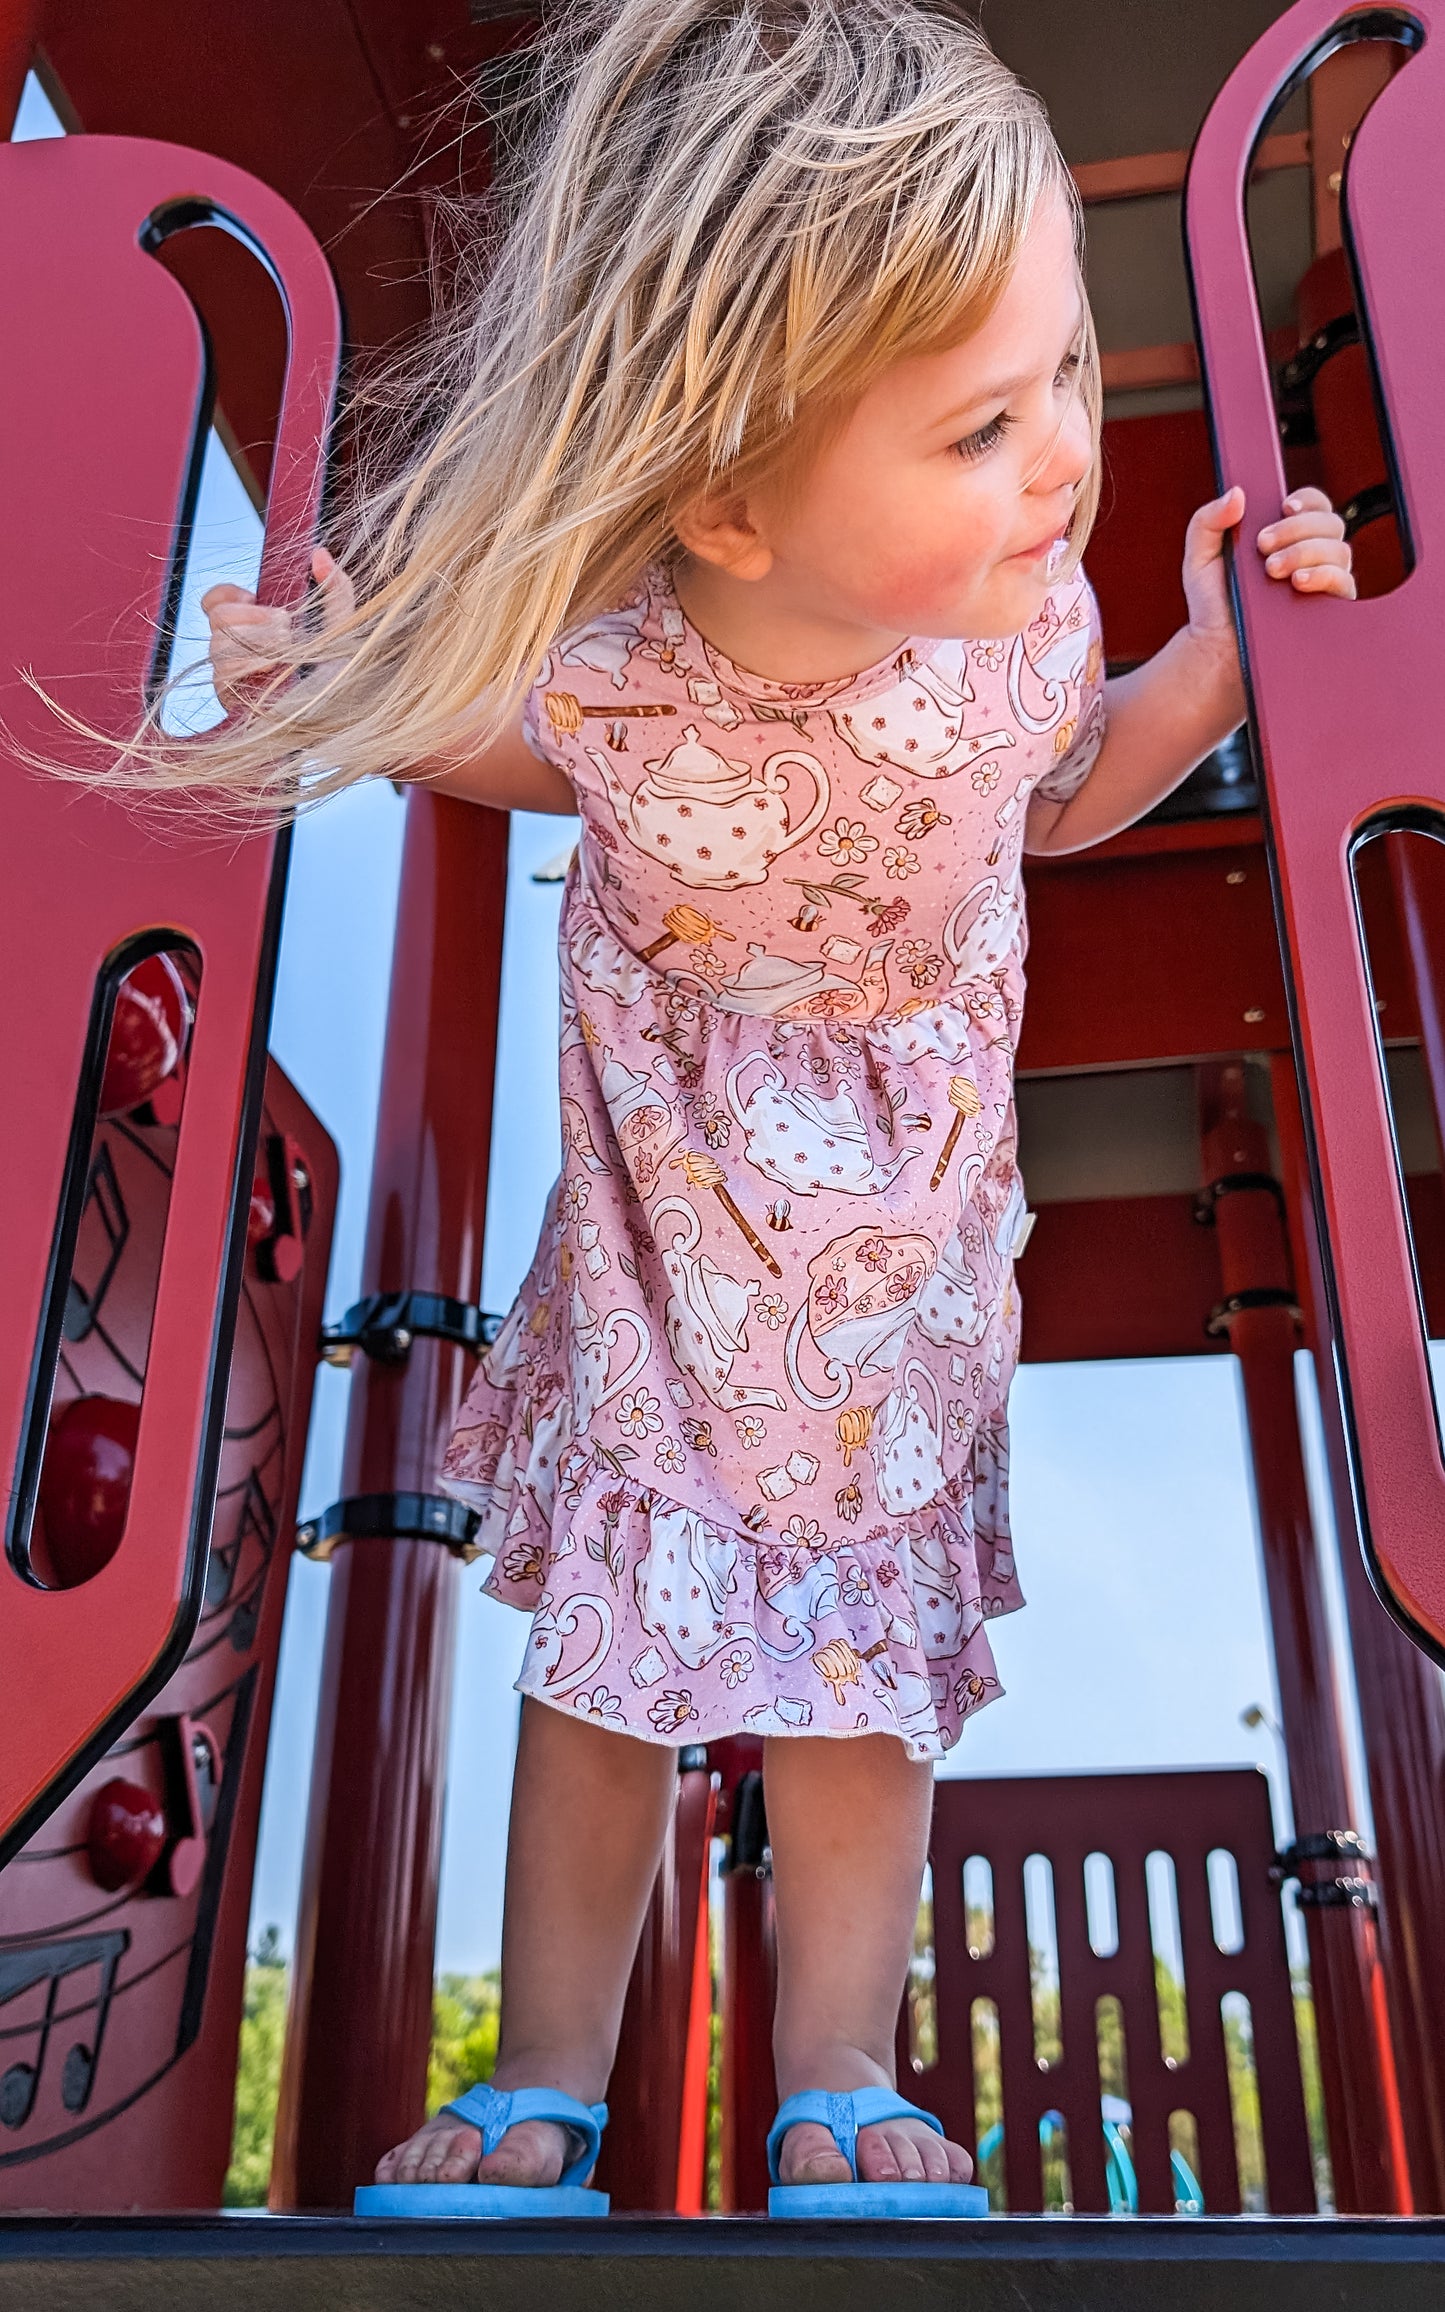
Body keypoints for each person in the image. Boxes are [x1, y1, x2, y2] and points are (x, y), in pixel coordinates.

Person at [183, 0, 1354, 2205]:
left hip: (899, 1244)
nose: (1069, 464)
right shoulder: (620, 666)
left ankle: (837, 2064)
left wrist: (1216, 644)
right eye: (988, 425)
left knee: (857, 1667)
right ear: (725, 495)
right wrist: (325, 680)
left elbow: (1079, 779)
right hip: (669, 1225)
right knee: (614, 1656)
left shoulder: (1014, 650)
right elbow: (482, 742)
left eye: (1070, 380)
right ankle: (545, 2068)